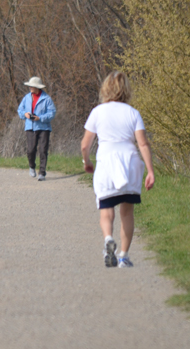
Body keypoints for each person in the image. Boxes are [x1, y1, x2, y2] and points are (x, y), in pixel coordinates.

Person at [81, 71, 155, 268]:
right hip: (130, 165)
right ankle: (124, 256)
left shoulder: (98, 112)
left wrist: (87, 162)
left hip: (107, 164)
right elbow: (143, 144)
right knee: (127, 212)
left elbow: (85, 145)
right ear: (126, 90)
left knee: (106, 210)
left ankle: (108, 239)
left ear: (105, 88)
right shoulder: (133, 113)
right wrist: (150, 171)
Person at [17, 76, 57, 181]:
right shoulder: (26, 98)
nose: (30, 87)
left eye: (32, 86)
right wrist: (25, 114)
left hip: (44, 128)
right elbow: (20, 110)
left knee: (43, 150)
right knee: (30, 150)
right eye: (30, 86)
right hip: (30, 127)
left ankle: (42, 173)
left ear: (37, 87)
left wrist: (40, 118)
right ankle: (32, 166)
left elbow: (52, 113)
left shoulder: (47, 98)